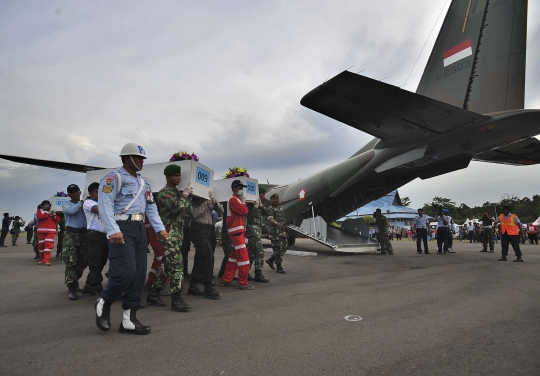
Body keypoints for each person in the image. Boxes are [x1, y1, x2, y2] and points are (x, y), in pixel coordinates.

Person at [95, 142, 168, 335]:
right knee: (126, 272)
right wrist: (113, 230)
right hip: (121, 228)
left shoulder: (144, 183)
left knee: (138, 275)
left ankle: (128, 320)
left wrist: (160, 229)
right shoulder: (112, 178)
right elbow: (105, 205)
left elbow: (150, 208)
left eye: (143, 158)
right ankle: (105, 300)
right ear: (127, 158)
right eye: (138, 158)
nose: (142, 162)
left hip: (138, 228)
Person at [146, 164, 194, 311]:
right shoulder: (163, 193)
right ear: (168, 177)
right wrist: (185, 197)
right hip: (168, 235)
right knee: (177, 264)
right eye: (175, 175)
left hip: (177, 235)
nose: (178, 178)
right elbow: (178, 207)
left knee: (166, 266)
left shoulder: (177, 194)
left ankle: (153, 294)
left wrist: (187, 198)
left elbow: (189, 212)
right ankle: (176, 299)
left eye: (179, 175)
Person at [186, 191, 223, 298]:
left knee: (200, 257)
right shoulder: (192, 199)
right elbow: (193, 214)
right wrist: (205, 204)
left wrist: (214, 201)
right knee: (208, 256)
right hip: (197, 228)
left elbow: (221, 212)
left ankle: (193, 286)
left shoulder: (209, 199)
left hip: (208, 229)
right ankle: (208, 287)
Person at [219, 180, 253, 289]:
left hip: (237, 231)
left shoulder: (236, 199)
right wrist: (244, 204)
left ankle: (226, 279)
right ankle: (242, 282)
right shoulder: (233, 199)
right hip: (236, 231)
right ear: (234, 188)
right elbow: (244, 212)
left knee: (233, 257)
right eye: (239, 187)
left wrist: (243, 203)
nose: (241, 190)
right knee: (243, 258)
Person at [81, 182, 109, 296]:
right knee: (95, 261)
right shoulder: (88, 202)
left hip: (105, 235)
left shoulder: (105, 202)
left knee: (102, 262)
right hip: (94, 235)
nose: (99, 194)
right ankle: (97, 288)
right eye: (97, 192)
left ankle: (89, 285)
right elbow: (99, 210)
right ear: (90, 193)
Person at [61, 184, 89, 301]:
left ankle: (75, 281)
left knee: (83, 261)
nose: (74, 193)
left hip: (84, 234)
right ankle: (71, 287)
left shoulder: (86, 204)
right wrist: (81, 203)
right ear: (69, 194)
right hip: (70, 235)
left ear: (79, 191)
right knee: (71, 262)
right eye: (71, 192)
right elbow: (72, 211)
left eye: (76, 191)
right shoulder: (66, 204)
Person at [246, 187, 270, 282]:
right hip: (252, 229)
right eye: (262, 193)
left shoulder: (261, 204)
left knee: (251, 253)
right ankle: (258, 274)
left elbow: (267, 213)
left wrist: (261, 206)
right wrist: (256, 206)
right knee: (260, 251)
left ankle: (245, 273)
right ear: (258, 194)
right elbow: (250, 215)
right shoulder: (251, 205)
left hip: (257, 230)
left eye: (264, 193)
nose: (264, 195)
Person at [266, 193, 291, 270]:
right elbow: (270, 218)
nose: (276, 200)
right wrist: (276, 223)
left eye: (277, 199)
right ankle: (279, 267)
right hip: (275, 232)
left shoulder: (280, 208)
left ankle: (271, 260)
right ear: (271, 200)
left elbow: (283, 219)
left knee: (284, 247)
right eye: (274, 199)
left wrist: (285, 226)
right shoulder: (270, 208)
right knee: (277, 248)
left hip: (282, 231)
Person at [36, 201, 61, 265]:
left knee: (48, 245)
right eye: (45, 204)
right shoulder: (40, 211)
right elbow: (39, 217)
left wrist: (54, 215)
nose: (46, 205)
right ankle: (41, 259)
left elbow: (58, 220)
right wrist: (47, 214)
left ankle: (46, 260)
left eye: (47, 204)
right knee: (41, 246)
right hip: (41, 231)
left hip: (51, 231)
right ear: (42, 205)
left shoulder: (53, 212)